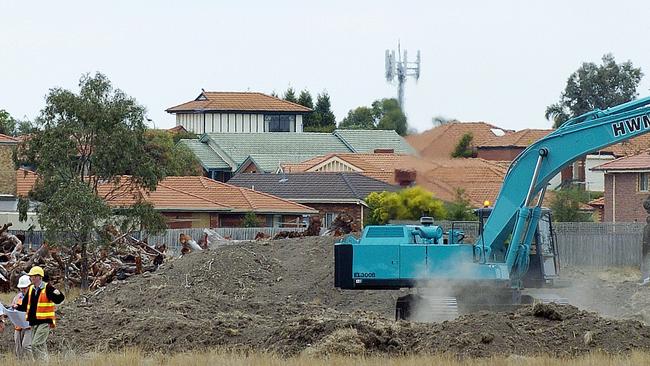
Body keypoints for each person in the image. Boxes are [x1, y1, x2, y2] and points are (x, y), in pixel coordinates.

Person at [15, 266, 65, 360]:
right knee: (40, 345)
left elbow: (60, 299)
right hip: (33, 322)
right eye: (30, 276)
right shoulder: (31, 289)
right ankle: (43, 362)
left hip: (44, 322)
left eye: (33, 276)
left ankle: (42, 362)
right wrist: (17, 307)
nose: (31, 278)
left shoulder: (48, 288)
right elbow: (25, 305)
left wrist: (56, 293)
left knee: (35, 344)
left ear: (39, 277)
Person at [11, 275, 33, 359]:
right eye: (21, 288)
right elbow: (13, 308)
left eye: (25, 287)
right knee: (18, 349)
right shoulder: (17, 297)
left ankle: (32, 363)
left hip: (29, 326)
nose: (23, 289)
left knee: (26, 346)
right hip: (18, 326)